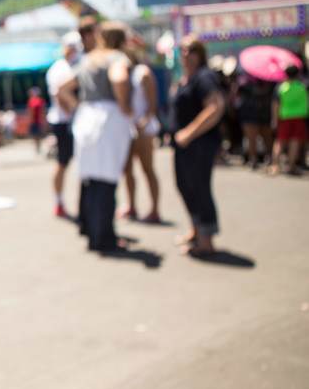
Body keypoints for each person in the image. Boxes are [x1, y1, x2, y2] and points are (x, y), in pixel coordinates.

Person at [58, 22, 133, 252]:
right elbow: (119, 79)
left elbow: (62, 89)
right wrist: (126, 107)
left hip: (86, 119)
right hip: (108, 119)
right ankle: (104, 237)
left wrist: (76, 107)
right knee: (107, 181)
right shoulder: (117, 58)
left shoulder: (89, 59)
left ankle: (90, 230)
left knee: (89, 179)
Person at [171, 36, 225, 256]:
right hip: (183, 144)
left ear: (200, 53)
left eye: (191, 50)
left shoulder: (204, 77)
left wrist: (189, 132)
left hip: (199, 143)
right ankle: (196, 230)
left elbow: (215, 107)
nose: (186, 54)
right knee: (185, 186)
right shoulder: (186, 77)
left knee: (200, 188)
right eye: (182, 50)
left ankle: (206, 240)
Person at [120, 52, 161, 223]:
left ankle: (154, 209)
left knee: (147, 169)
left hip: (143, 129)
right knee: (127, 171)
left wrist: (143, 122)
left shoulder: (142, 72)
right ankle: (131, 205)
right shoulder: (122, 72)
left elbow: (152, 104)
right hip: (126, 128)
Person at [45, 30, 82, 218]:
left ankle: (61, 202)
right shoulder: (61, 68)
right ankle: (59, 202)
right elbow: (60, 95)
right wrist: (75, 112)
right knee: (62, 162)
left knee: (66, 162)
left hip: (66, 121)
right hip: (64, 122)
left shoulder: (68, 66)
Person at [269, 64, 308, 175]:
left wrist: (274, 120)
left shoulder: (281, 87)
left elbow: (276, 104)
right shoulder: (303, 86)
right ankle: (291, 166)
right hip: (300, 117)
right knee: (294, 142)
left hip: (284, 117)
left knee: (280, 142)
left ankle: (275, 165)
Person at [26, 86, 45, 153]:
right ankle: (38, 147)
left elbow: (32, 111)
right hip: (38, 120)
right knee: (37, 135)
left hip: (35, 121)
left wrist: (31, 120)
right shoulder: (40, 100)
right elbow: (42, 111)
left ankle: (37, 148)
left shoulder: (32, 100)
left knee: (36, 135)